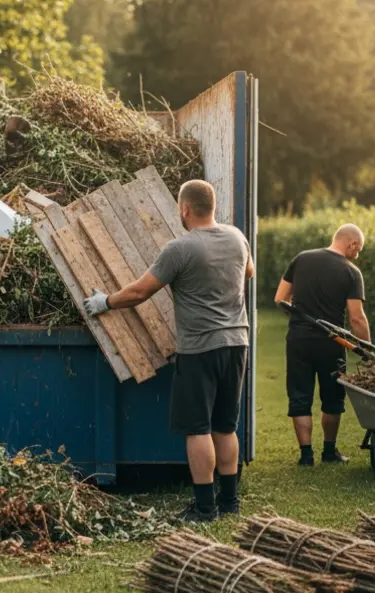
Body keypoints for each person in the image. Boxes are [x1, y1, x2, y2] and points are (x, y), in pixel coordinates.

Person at [83, 179, 253, 524]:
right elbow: (248, 271)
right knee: (225, 425)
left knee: (198, 428)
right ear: (213, 206)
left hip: (201, 347)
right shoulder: (237, 238)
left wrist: (105, 301)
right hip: (237, 343)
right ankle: (230, 502)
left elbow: (140, 292)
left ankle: (205, 508)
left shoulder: (181, 248)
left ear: (185, 209)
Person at [273, 224, 369, 466]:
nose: (358, 255)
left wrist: (299, 316)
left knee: (299, 396)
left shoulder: (302, 259)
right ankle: (329, 452)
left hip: (298, 341)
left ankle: (306, 456)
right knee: (332, 398)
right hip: (331, 343)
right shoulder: (351, 271)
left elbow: (279, 299)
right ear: (352, 245)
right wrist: (366, 347)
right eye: (360, 250)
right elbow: (356, 317)